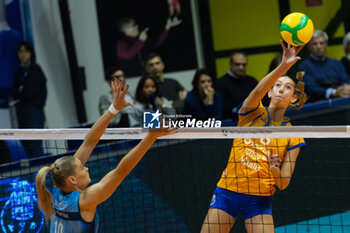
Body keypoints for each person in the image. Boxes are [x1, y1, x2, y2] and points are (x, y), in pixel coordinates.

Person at [36, 78, 176, 233]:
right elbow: (121, 171)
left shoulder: (57, 189)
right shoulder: (84, 201)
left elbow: (90, 141)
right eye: (82, 167)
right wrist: (150, 138)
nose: (86, 167)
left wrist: (114, 109)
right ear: (73, 179)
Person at [201, 41, 307, 233]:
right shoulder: (251, 112)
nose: (281, 89)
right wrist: (283, 66)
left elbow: (283, 183)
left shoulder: (293, 135)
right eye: (277, 85)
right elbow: (257, 90)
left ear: (293, 98)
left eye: (288, 87)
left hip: (258, 201)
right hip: (227, 192)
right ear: (269, 92)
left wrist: (275, 169)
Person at [11, 42, 47, 157]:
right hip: (22, 114)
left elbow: (28, 91)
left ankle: (42, 175)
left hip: (34, 113)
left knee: (35, 146)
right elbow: (13, 92)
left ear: (31, 53)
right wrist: (19, 90)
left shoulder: (36, 70)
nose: (23, 54)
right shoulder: (19, 73)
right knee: (26, 145)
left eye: (26, 51)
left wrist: (21, 90)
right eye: (20, 51)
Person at [116, 17, 180, 77]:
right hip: (132, 78)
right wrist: (141, 41)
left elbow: (155, 43)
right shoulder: (121, 43)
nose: (137, 26)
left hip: (147, 74)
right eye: (133, 25)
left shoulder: (137, 39)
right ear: (124, 30)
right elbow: (128, 55)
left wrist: (167, 28)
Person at [299, 30, 350, 102]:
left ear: (326, 45)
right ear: (309, 46)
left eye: (321, 43)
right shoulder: (304, 66)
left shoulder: (336, 63)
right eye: (315, 44)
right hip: (317, 106)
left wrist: (347, 88)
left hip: (341, 100)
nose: (318, 46)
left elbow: (346, 80)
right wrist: (334, 92)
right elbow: (311, 88)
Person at [215, 52, 259, 121]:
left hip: (253, 119)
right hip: (232, 122)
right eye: (237, 64)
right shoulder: (220, 83)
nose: (241, 67)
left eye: (244, 65)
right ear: (230, 65)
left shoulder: (252, 81)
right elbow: (224, 109)